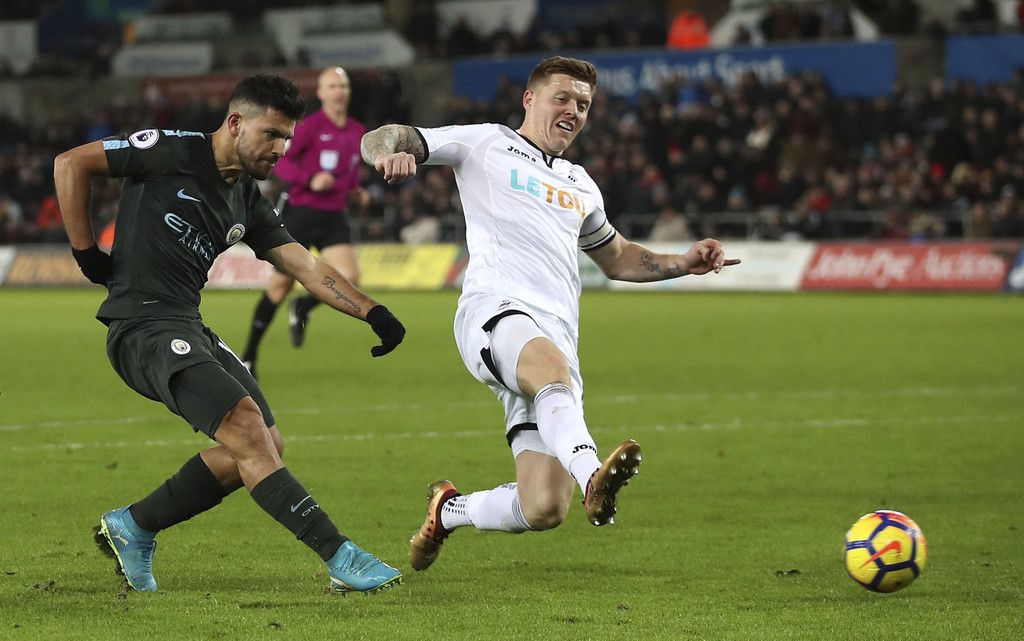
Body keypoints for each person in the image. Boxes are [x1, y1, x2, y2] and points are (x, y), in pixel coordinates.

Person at [360, 56, 739, 572]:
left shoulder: (581, 184)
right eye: (562, 98)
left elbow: (618, 258)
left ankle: (449, 510)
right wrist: (387, 154)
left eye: (583, 104)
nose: (573, 111)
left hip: (554, 339)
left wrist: (683, 263)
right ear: (530, 98)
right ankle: (592, 477)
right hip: (496, 312)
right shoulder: (485, 142)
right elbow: (384, 136)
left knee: (542, 507)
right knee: (551, 372)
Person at [54, 74, 406, 595]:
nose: (281, 150)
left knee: (268, 442)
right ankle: (340, 555)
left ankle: (135, 525)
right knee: (246, 429)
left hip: (186, 323)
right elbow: (71, 163)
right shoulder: (168, 150)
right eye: (272, 135)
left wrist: (374, 312)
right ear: (236, 122)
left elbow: (307, 268)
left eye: (287, 139)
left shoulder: (247, 200)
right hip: (141, 325)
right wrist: (87, 255)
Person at [240, 66, 369, 378]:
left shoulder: (357, 130)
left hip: (334, 215)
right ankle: (248, 357)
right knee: (279, 286)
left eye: (343, 85)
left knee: (350, 277)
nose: (339, 91)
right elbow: (281, 162)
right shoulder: (309, 127)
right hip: (302, 212)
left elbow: (350, 170)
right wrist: (310, 180)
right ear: (321, 93)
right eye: (332, 86)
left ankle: (303, 308)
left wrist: (356, 191)